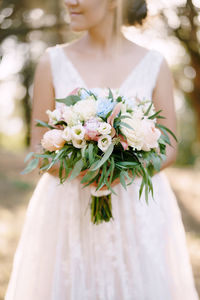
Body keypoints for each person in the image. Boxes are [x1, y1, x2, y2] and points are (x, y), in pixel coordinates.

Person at [5, 0, 199, 299]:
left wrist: (123, 170)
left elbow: (169, 148)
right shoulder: (51, 62)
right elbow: (36, 148)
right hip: (67, 207)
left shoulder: (155, 63)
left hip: (137, 208)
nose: (69, 2)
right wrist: (84, 167)